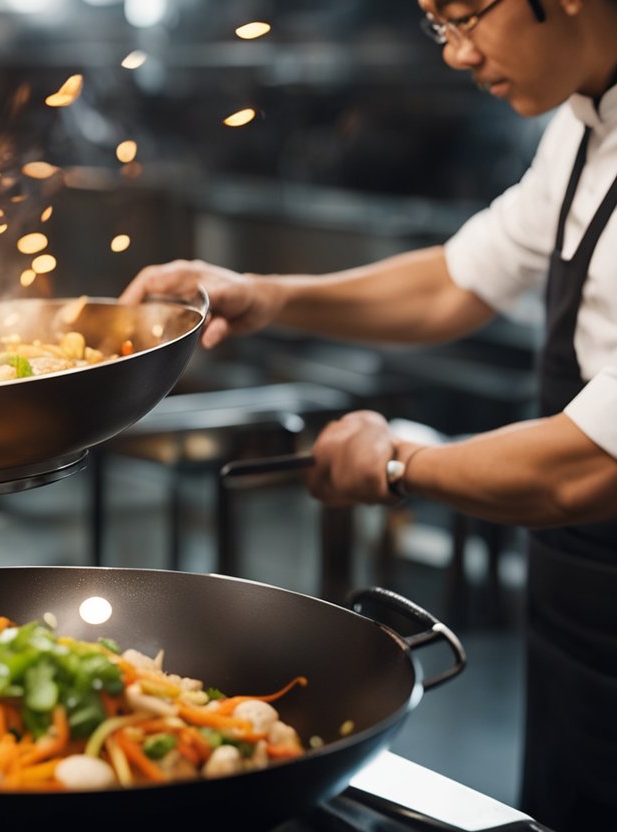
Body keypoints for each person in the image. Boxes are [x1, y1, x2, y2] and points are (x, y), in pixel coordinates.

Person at [120, 1, 617, 829]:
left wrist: (399, 465)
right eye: (436, 24)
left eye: (464, 16)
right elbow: (456, 281)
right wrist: (270, 295)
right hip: (580, 609)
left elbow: (589, 467)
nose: (456, 54)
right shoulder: (580, 124)